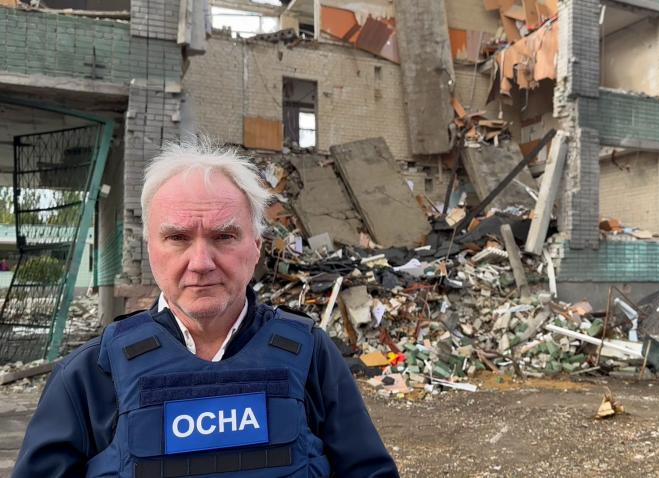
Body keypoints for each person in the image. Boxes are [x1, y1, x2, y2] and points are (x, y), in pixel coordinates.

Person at [12, 138, 399, 477]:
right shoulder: (90, 376)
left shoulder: (311, 355)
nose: (201, 262)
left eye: (224, 236)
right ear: (150, 250)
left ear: (257, 247)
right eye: (178, 237)